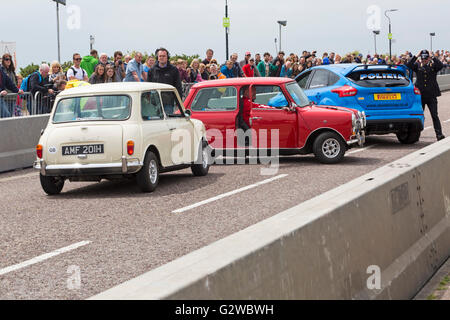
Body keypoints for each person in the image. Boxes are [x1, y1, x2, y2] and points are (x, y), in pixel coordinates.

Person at [407, 49, 445, 141]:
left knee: (434, 115)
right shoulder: (417, 65)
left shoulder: (433, 66)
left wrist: (432, 57)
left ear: (428, 58)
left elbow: (441, 66)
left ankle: (439, 134)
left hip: (431, 95)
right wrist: (417, 55)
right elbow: (408, 65)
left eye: (426, 58)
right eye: (423, 58)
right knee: (419, 116)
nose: (424, 60)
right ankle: (416, 136)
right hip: (420, 96)